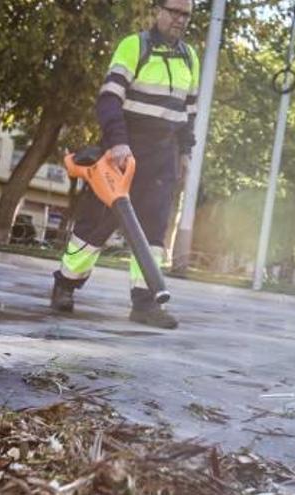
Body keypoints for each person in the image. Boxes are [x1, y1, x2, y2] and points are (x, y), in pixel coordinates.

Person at [50, 0, 199, 329]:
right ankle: (65, 285)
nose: (179, 19)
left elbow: (189, 115)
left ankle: (146, 305)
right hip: (123, 150)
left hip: (163, 157)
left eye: (185, 14)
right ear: (157, 11)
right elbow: (109, 99)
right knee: (96, 225)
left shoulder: (190, 57)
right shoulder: (135, 46)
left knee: (153, 232)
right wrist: (118, 142)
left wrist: (185, 153)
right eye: (173, 11)